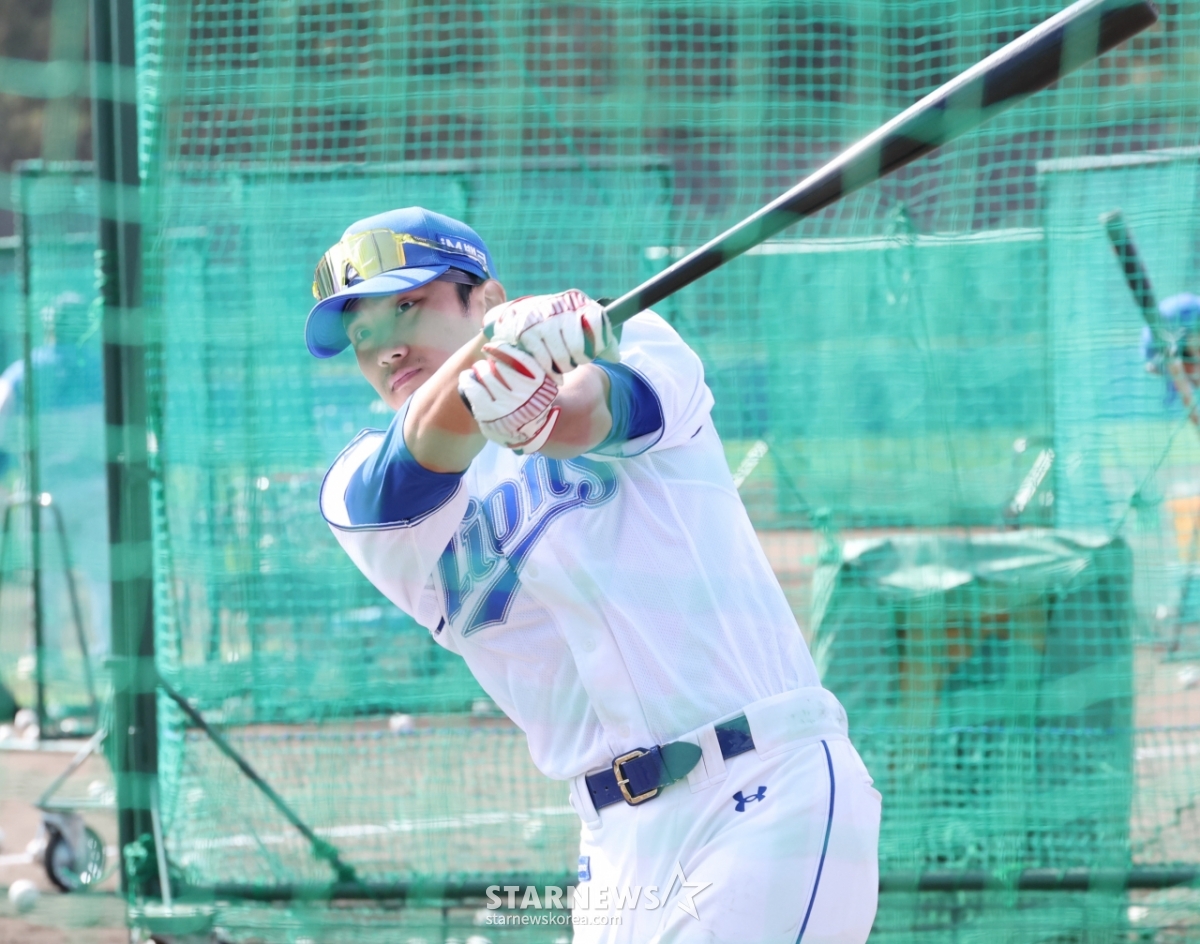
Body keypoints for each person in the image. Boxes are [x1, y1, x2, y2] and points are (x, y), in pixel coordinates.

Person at [306, 207, 881, 943]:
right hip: (613, 849)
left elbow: (586, 416)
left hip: (764, 786)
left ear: (487, 296)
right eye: (361, 336)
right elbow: (423, 445)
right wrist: (494, 351)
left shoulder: (633, 340)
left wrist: (538, 383)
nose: (385, 347)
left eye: (407, 306)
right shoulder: (357, 491)